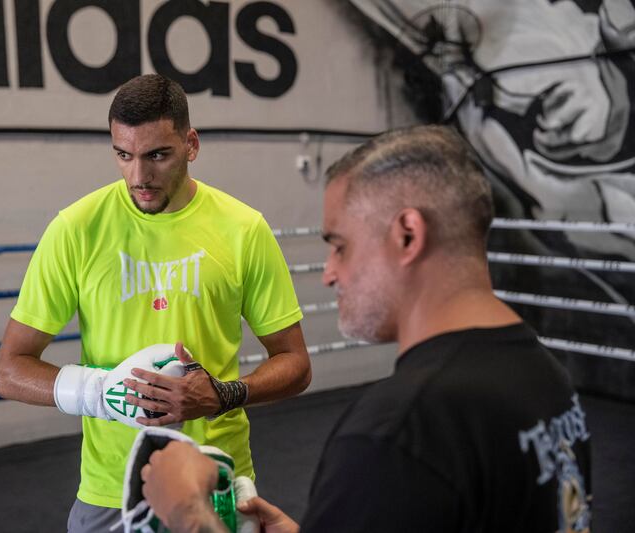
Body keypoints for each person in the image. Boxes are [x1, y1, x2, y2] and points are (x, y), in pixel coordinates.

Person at [138, 125, 593, 532]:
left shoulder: (401, 430)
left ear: (408, 236)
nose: (330, 274)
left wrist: (188, 514)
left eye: (340, 246)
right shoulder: (545, 377)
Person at [0, 74, 311, 532]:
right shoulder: (76, 229)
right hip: (109, 491)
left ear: (191, 144)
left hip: (213, 481)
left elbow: (295, 363)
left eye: (157, 155)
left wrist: (224, 395)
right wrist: (104, 394)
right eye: (124, 155)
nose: (138, 176)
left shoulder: (244, 229)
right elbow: (8, 370)